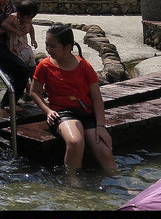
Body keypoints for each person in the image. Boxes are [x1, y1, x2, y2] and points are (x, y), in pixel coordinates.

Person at [29, 24, 117, 177]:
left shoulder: (84, 66)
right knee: (75, 142)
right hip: (62, 113)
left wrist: (101, 126)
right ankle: (73, 183)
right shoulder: (44, 65)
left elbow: (96, 98)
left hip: (86, 112)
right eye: (47, 45)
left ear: (68, 47)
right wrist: (48, 111)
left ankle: (120, 183)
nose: (48, 49)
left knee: (103, 149)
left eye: (53, 46)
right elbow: (34, 91)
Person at [8, 0, 39, 70]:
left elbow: (31, 27)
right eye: (28, 18)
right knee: (19, 63)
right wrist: (15, 31)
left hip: (23, 44)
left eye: (31, 18)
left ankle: (33, 76)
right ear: (19, 14)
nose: (30, 20)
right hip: (14, 45)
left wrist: (33, 39)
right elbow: (4, 24)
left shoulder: (27, 20)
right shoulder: (13, 18)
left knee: (31, 61)